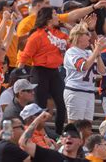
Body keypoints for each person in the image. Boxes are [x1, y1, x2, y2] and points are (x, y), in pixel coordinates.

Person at [18, 7, 68, 135]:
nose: (58, 17)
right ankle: (38, 134)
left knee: (62, 105)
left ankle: (58, 134)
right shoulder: (36, 35)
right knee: (39, 106)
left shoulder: (59, 34)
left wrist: (68, 25)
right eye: (55, 14)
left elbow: (73, 41)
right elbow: (25, 56)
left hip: (54, 72)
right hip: (40, 72)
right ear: (48, 18)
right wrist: (17, 75)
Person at [63, 22, 106, 122]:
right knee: (75, 126)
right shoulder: (71, 52)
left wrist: (98, 54)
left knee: (87, 126)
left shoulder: (89, 52)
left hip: (89, 92)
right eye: (86, 34)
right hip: (76, 91)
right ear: (78, 36)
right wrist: (96, 51)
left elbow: (103, 71)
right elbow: (84, 66)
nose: (89, 37)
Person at [19, 118, 88, 161]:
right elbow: (24, 143)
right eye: (65, 135)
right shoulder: (51, 156)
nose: (68, 137)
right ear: (62, 140)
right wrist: (38, 119)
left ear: (80, 142)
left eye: (73, 135)